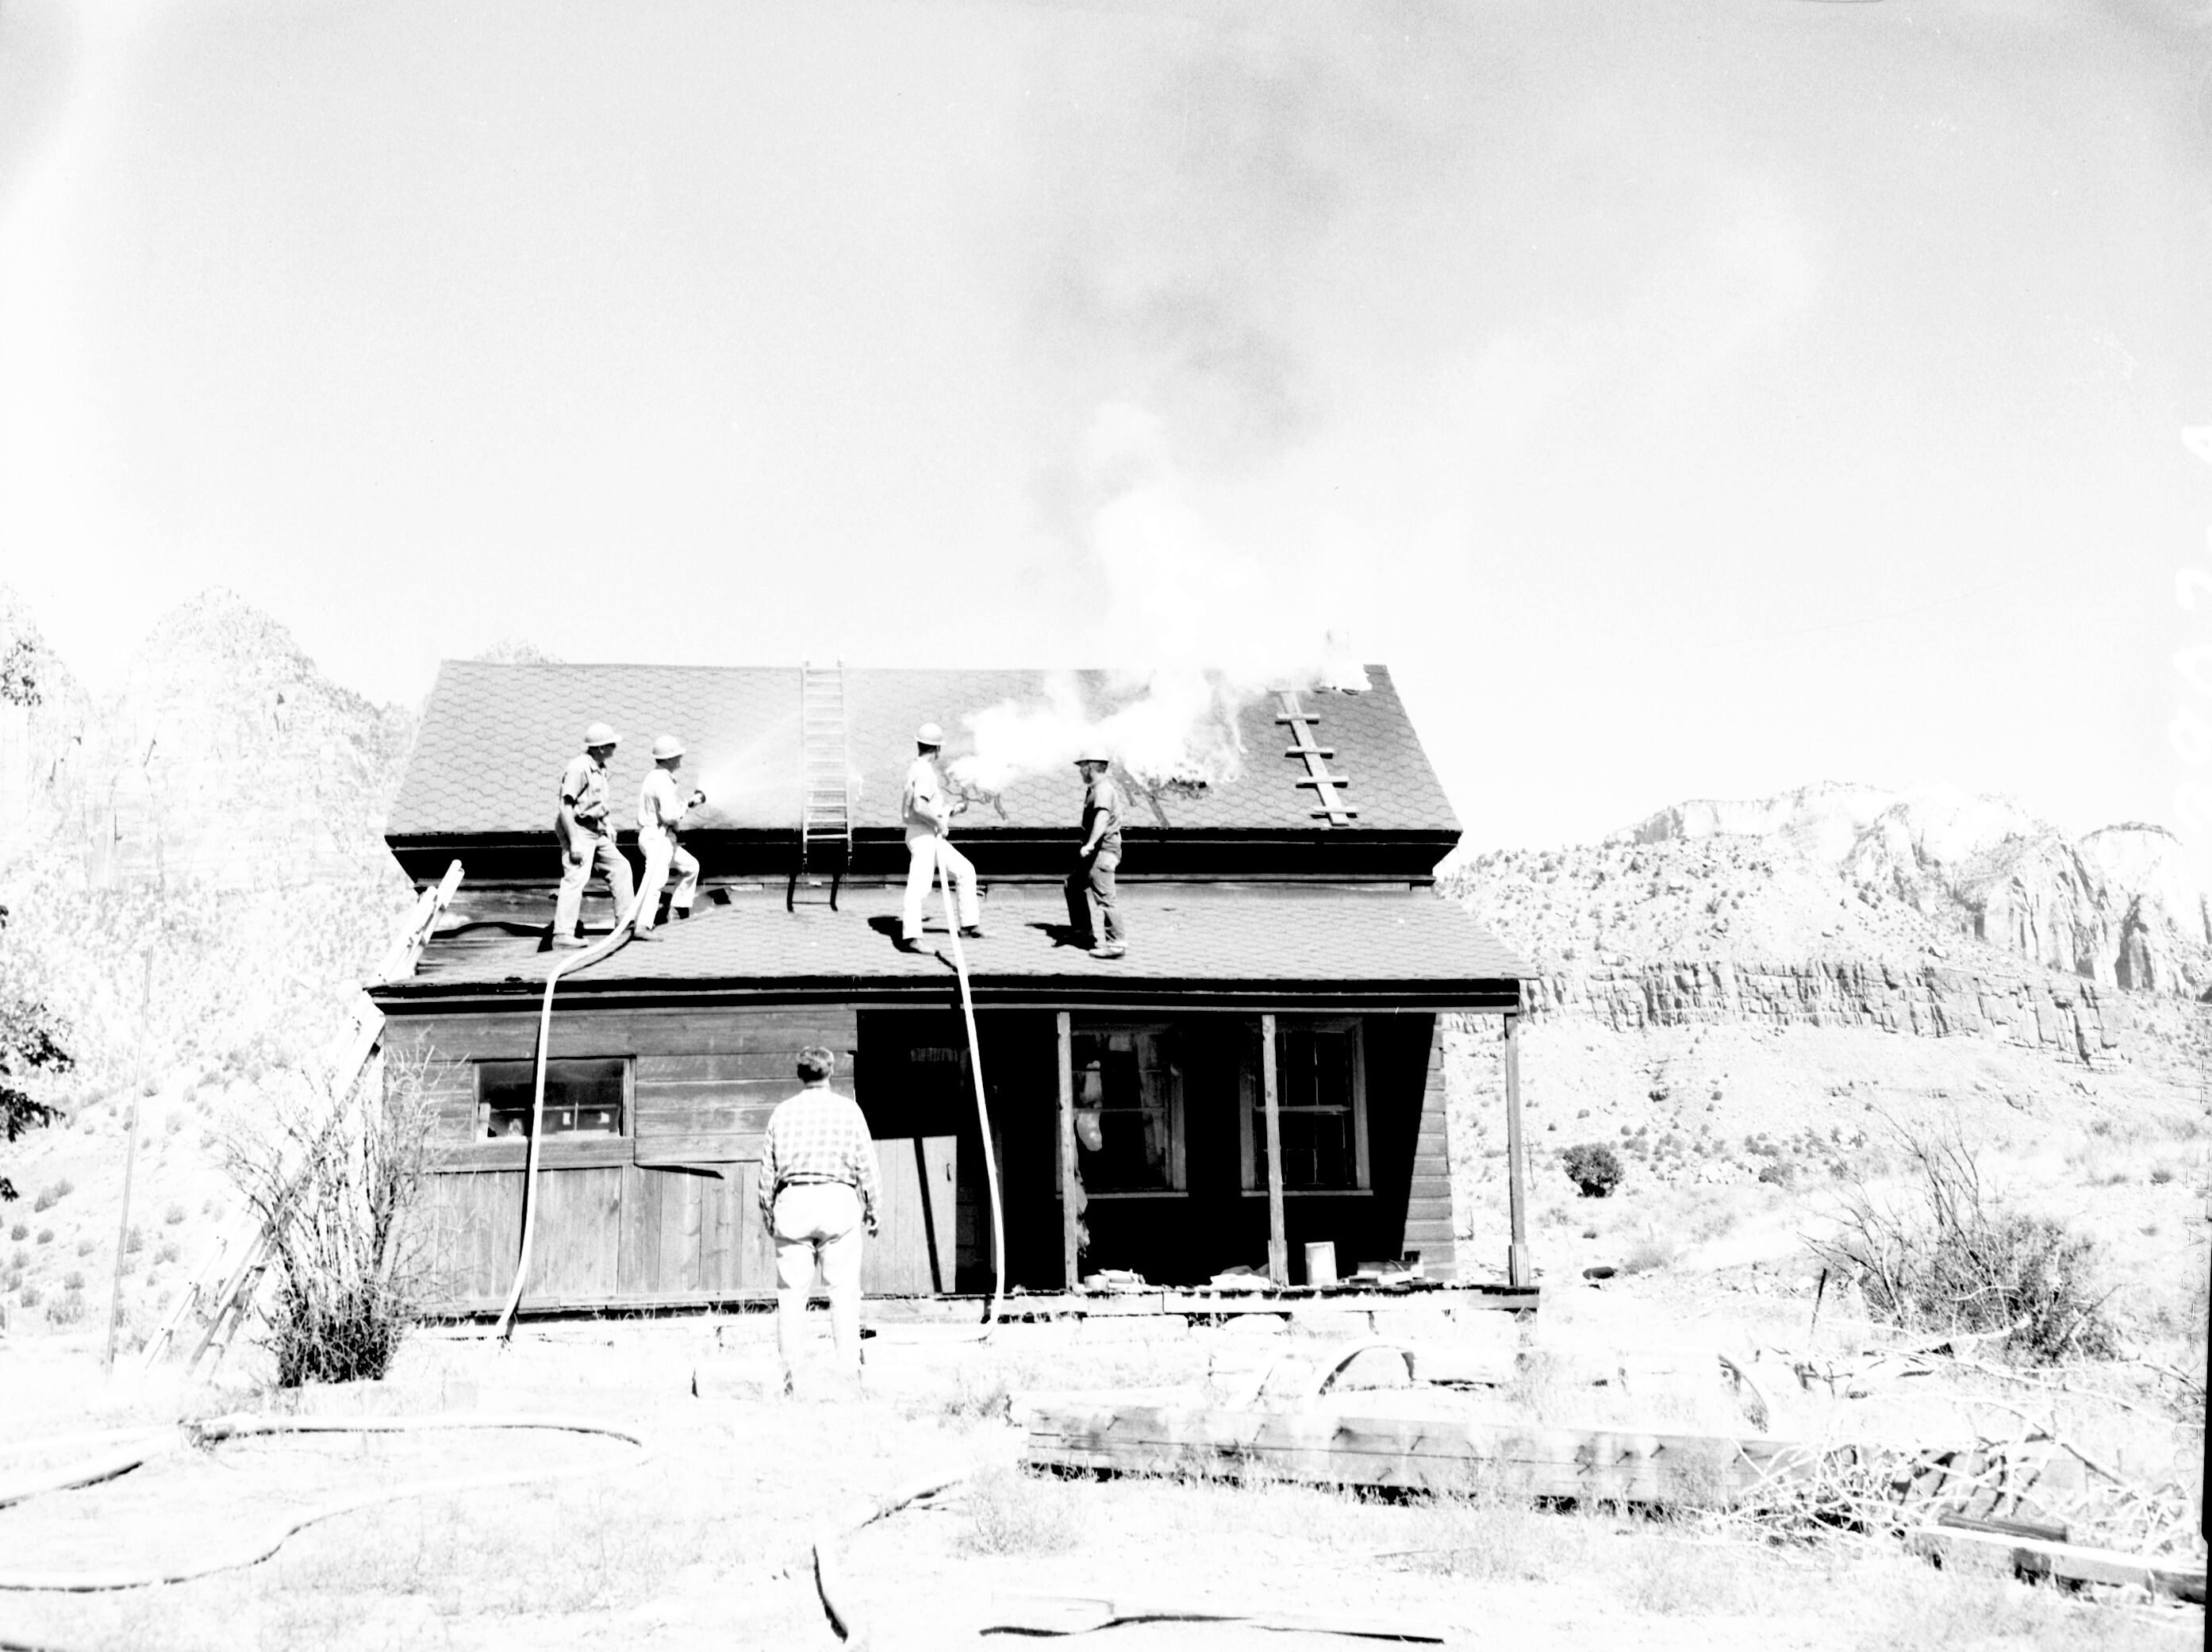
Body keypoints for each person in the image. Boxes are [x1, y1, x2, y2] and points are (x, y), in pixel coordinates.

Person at [758, 1046, 880, 1393]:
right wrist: (874, 1208)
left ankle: (790, 1374)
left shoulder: (782, 1114)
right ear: (830, 1073)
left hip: (794, 1199)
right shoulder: (849, 1112)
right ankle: (846, 1372)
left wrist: (768, 1211)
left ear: (801, 1075)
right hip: (837, 1200)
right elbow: (866, 1165)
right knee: (843, 1292)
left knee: (792, 1294)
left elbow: (767, 1171)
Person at [897, 721, 985, 951]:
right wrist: (939, 824)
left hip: (928, 834)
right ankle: (911, 938)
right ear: (937, 749)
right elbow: (919, 807)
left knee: (965, 870)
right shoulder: (924, 772)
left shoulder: (917, 768)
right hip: (924, 835)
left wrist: (952, 810)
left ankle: (969, 925)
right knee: (919, 886)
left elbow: (927, 808)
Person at [551, 721, 636, 948]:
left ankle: (625, 924)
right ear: (600, 748)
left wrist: (607, 823)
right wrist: (575, 842)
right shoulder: (579, 768)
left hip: (594, 829)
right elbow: (565, 806)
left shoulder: (600, 768)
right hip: (577, 829)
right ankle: (563, 934)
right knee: (575, 878)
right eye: (611, 745)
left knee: (620, 867)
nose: (614, 749)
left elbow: (597, 803)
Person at [632, 733, 704, 939]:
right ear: (670, 758)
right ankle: (642, 926)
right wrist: (685, 807)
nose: (680, 759)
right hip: (657, 837)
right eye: (678, 755)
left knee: (691, 867)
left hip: (662, 838)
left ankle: (678, 909)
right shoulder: (662, 781)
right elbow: (669, 815)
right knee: (656, 880)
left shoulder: (657, 777)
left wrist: (685, 806)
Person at [1066, 751, 1126, 959]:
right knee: (1073, 886)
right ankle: (1083, 933)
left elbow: (1102, 818)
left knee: (1106, 898)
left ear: (1089, 768)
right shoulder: (1095, 790)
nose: (1080, 771)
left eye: (1082, 766)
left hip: (1102, 852)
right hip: (1096, 853)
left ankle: (1116, 944)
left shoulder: (1102, 790)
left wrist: (1091, 844)